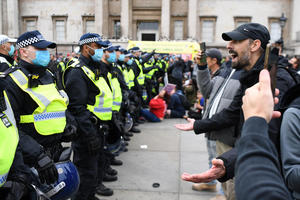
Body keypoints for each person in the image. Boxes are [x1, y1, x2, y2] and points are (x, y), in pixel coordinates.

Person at [63, 33, 112, 200]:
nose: (102, 51)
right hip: (86, 132)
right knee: (85, 174)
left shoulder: (93, 67)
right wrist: (90, 135)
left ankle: (89, 196)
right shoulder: (77, 71)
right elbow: (77, 108)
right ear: (86, 48)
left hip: (96, 128)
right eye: (98, 47)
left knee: (94, 171)